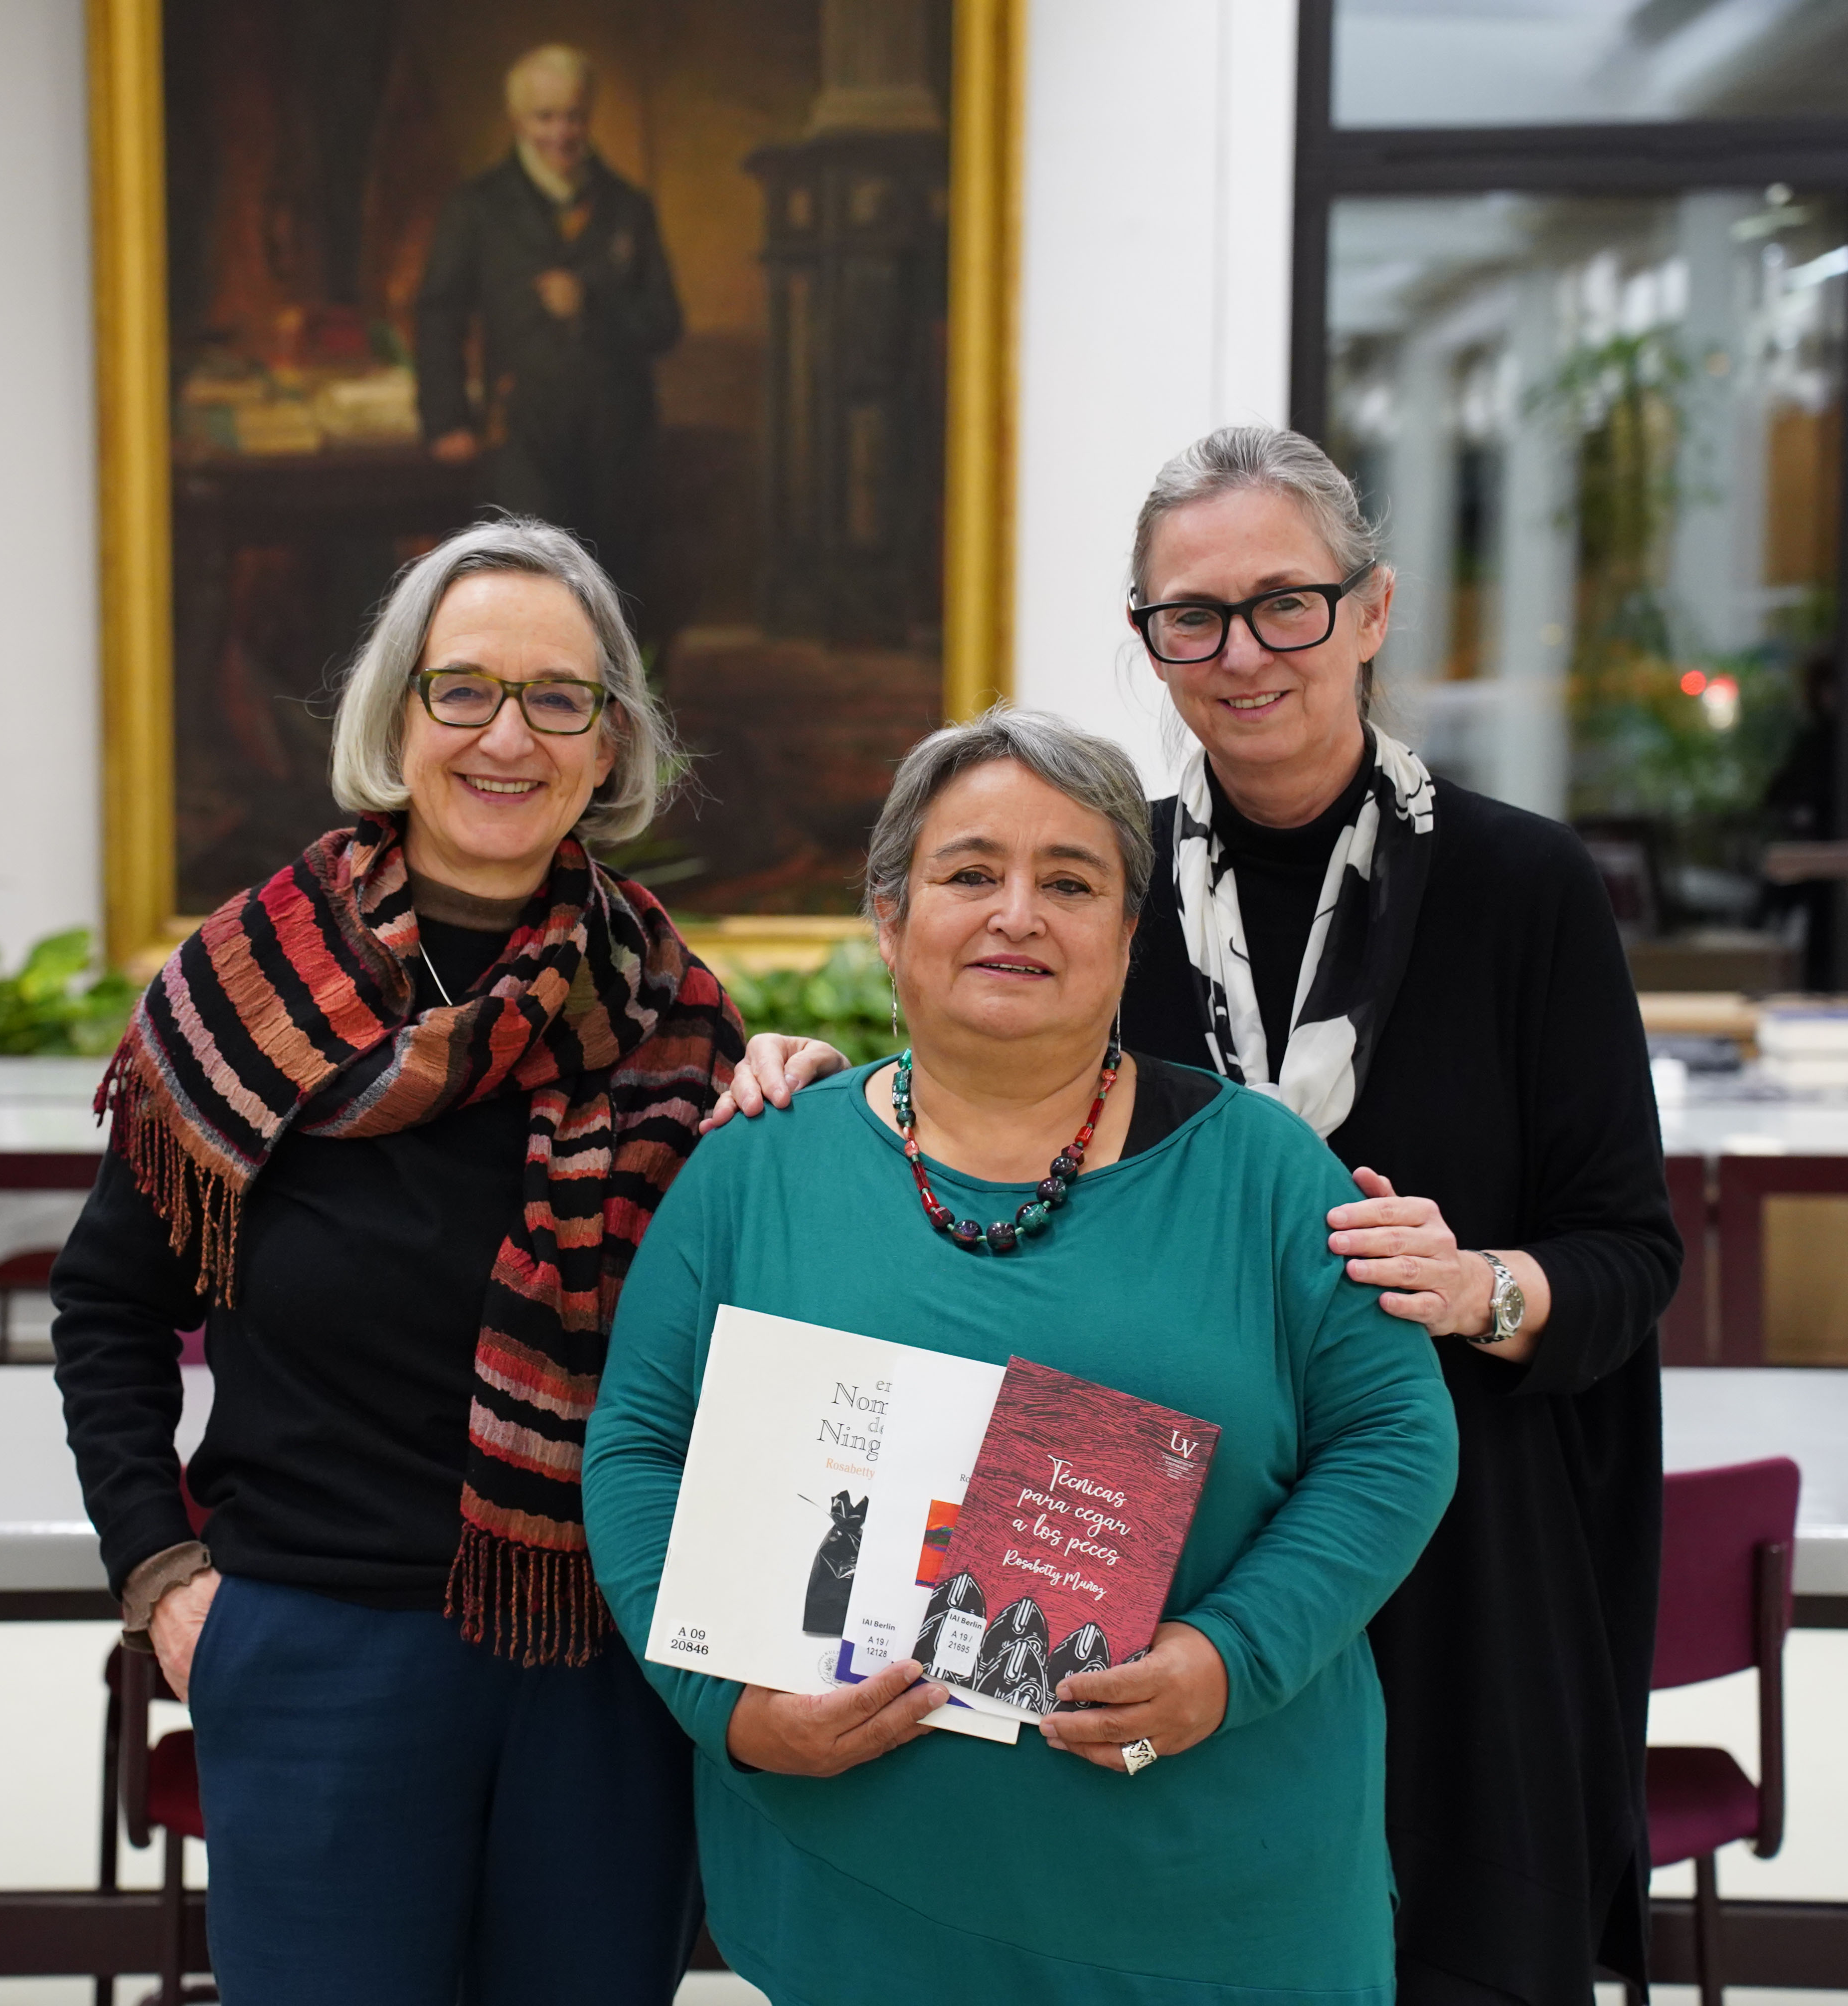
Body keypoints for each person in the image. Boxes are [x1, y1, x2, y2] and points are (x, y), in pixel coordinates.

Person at [714, 428, 1684, 2006]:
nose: (1242, 652)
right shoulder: (1108, 887)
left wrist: (1480, 1287)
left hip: (1454, 1552)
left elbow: (1631, 1253)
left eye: (1286, 603)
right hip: (1165, 1553)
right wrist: (824, 1079)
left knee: (1453, 1949)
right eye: (1192, 616)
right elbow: (976, 1084)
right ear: (1148, 638)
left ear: (1370, 611)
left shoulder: (1523, 887)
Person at [585, 710, 1459, 2003]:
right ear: (890, 919)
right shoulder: (754, 1170)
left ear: (1129, 933)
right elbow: (639, 1452)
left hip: (1216, 1911)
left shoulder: (1266, 1172)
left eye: (1070, 881)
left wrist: (1231, 1657)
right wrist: (731, 1708)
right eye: (970, 871)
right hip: (861, 1916)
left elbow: (1395, 1440)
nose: (1017, 913)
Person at [49, 517, 743, 2004]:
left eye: (557, 697)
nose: (509, 735)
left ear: (609, 742)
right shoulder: (245, 985)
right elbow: (107, 1305)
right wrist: (161, 1575)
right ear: (397, 714)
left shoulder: (679, 1017)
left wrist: (803, 1115)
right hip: (317, 1653)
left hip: (601, 1669)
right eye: (463, 689)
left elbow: (739, 1347)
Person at [415, 44, 681, 583]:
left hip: (617, 439)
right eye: (546, 117)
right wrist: (447, 419)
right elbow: (439, 313)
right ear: (517, 120)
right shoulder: (478, 207)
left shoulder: (628, 206)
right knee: (531, 581)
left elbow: (665, 322)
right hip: (522, 436)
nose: (563, 132)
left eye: (575, 117)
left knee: (615, 586)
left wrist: (592, 306)